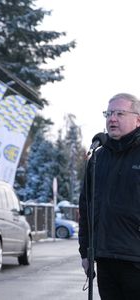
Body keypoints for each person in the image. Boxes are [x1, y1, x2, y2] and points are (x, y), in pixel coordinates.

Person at [79, 93, 140, 300]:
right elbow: (86, 208)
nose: (112, 119)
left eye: (120, 113)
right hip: (105, 258)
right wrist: (85, 252)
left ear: (138, 119)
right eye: (109, 113)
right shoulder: (97, 158)